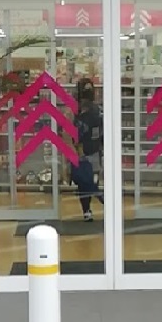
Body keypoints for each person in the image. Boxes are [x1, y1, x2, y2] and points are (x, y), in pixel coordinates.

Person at [69, 78, 103, 221]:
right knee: (84, 181)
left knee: (90, 181)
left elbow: (100, 130)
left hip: (91, 150)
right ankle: (88, 208)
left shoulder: (95, 111)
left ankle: (98, 198)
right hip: (84, 150)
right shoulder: (77, 111)